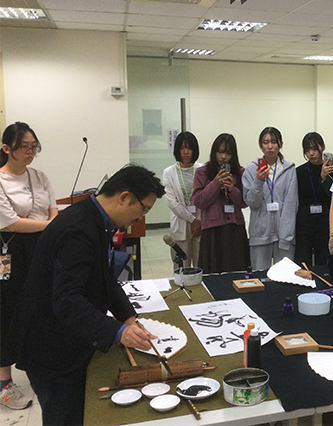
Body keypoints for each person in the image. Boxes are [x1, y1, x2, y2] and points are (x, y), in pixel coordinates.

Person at [12, 164, 165, 425]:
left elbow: (105, 275)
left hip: (67, 337)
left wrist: (128, 318)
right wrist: (119, 332)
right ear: (124, 197)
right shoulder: (78, 230)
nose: (141, 218)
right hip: (50, 348)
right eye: (144, 209)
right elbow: (67, 301)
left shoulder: (96, 218)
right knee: (65, 416)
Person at [0, 122, 58, 410]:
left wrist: (52, 224)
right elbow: (11, 222)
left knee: (43, 303)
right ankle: (4, 382)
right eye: (25, 147)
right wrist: (50, 226)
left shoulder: (40, 176)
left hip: (42, 245)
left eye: (34, 146)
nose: (31, 152)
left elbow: (53, 207)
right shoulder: (0, 180)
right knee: (9, 310)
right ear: (7, 148)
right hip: (11, 249)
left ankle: (39, 363)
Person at [192, 133, 249, 273]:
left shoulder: (240, 172)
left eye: (228, 153)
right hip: (212, 230)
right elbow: (199, 201)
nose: (224, 157)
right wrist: (215, 183)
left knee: (237, 271)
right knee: (213, 273)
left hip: (235, 228)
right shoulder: (202, 172)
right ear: (214, 152)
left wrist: (231, 189)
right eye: (220, 152)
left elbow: (244, 202)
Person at [242, 127, 298, 270]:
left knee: (285, 278)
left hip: (283, 236)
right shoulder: (251, 170)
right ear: (261, 145)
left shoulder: (289, 170)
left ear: (280, 144)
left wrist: (286, 237)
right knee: (260, 279)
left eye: (274, 142)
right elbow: (251, 203)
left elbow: (291, 204)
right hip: (260, 234)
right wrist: (258, 181)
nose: (270, 146)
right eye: (266, 142)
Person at [162, 131, 202, 269]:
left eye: (189, 148)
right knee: (181, 270)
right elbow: (172, 203)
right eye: (182, 148)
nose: (185, 152)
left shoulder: (202, 169)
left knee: (200, 268)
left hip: (201, 224)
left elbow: (207, 198)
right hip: (181, 224)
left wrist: (200, 221)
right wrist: (193, 220)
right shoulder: (169, 172)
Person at [295, 132, 333, 266]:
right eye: (307, 150)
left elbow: (332, 197)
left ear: (323, 147)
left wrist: (324, 178)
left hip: (324, 220)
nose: (311, 153)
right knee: (302, 261)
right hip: (304, 221)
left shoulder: (332, 171)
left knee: (323, 260)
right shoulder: (299, 172)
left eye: (314, 149)